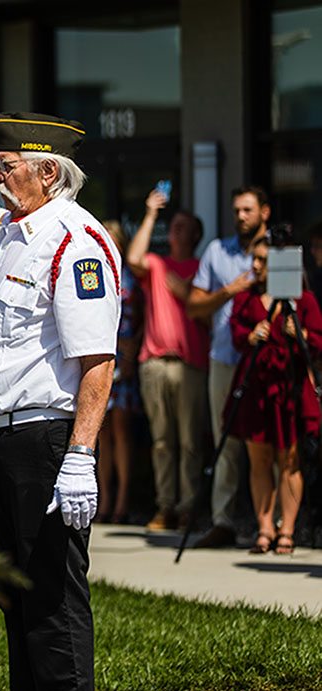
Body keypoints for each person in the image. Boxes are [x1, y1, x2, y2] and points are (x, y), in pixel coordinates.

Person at [0, 112, 121, 691]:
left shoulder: (77, 242)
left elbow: (96, 360)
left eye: (7, 167)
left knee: (52, 599)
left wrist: (80, 456)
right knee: (14, 595)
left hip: (45, 440)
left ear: (49, 172)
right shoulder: (12, 231)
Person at [227, 231, 322, 555]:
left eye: (263, 260)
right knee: (259, 458)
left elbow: (319, 341)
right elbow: (236, 333)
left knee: (290, 459)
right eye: (254, 258)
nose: (256, 265)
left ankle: (289, 528)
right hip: (256, 386)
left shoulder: (302, 300)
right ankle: (264, 526)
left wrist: (303, 334)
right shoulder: (248, 298)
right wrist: (251, 333)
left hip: (289, 386)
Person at [187, 185, 270, 548]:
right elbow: (194, 306)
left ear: (264, 212)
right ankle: (223, 521)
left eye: (248, 210)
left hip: (270, 363)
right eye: (236, 210)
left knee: (274, 443)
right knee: (227, 443)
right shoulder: (218, 252)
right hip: (225, 358)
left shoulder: (280, 252)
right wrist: (229, 291)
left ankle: (275, 524)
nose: (240, 216)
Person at [127, 190, 210, 531]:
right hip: (156, 362)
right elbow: (133, 257)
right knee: (162, 441)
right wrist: (150, 215)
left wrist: (188, 294)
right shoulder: (157, 266)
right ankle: (166, 507)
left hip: (190, 363)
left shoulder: (202, 270)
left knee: (191, 441)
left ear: (195, 235)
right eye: (172, 225)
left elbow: (210, 314)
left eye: (182, 226)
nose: (174, 231)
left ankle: (189, 507)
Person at [97, 220, 142, 524]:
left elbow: (144, 318)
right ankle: (104, 499)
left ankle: (124, 499)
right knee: (100, 433)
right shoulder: (93, 271)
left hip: (124, 355)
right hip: (100, 356)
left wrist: (133, 351)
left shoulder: (132, 278)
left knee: (121, 431)